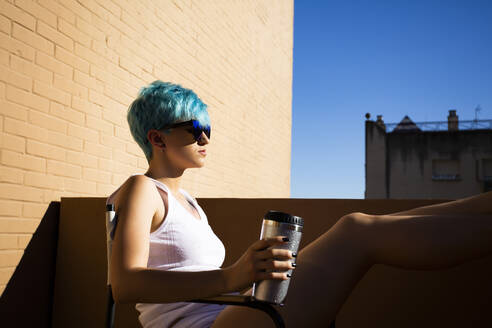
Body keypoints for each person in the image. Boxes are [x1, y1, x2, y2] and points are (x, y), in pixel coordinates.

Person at [106, 80, 492, 328]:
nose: (205, 139)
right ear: (157, 139)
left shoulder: (187, 201)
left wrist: (247, 276)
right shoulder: (141, 188)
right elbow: (124, 284)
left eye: (208, 129)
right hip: (209, 326)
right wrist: (234, 276)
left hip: (235, 312)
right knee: (356, 229)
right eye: (194, 130)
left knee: (366, 225)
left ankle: (482, 206)